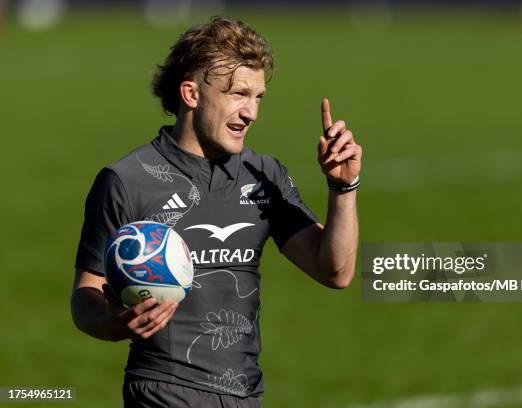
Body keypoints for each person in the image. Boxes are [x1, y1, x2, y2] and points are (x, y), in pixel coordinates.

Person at [71, 16, 361, 408]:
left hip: (245, 394)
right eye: (238, 93)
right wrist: (112, 324)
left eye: (258, 97)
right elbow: (86, 295)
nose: (251, 112)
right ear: (191, 93)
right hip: (163, 390)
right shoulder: (127, 180)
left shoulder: (263, 176)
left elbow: (335, 270)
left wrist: (342, 187)